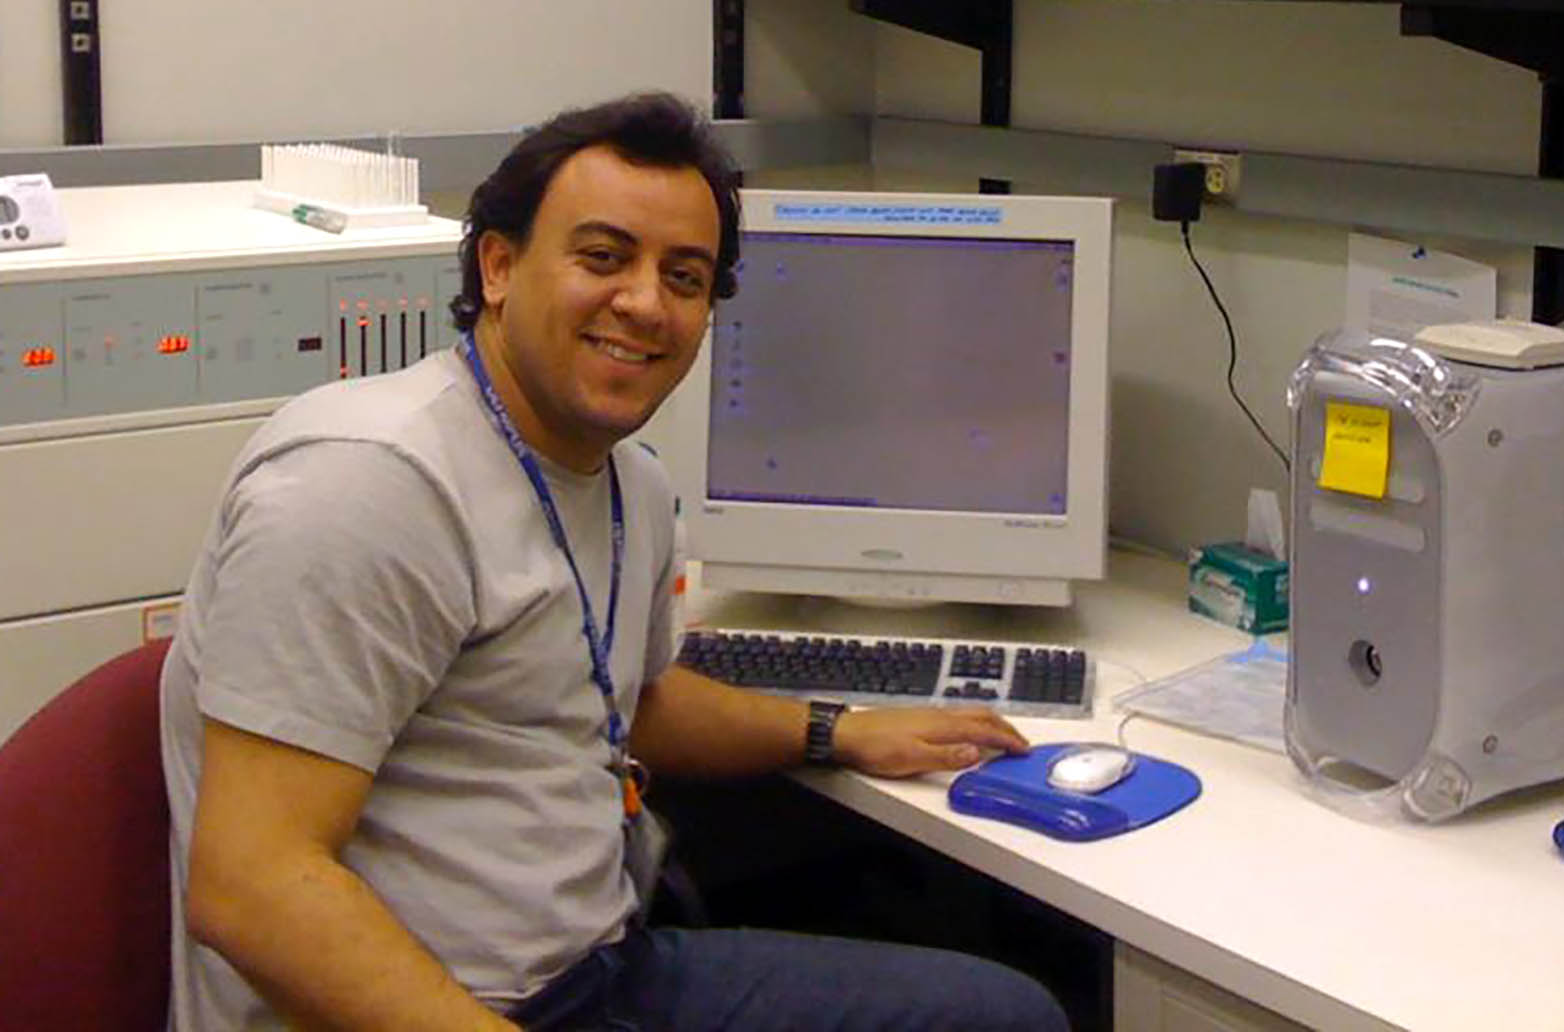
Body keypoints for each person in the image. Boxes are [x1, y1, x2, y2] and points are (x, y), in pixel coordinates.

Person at [159, 92, 1071, 1031]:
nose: (644, 303)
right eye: (604, 258)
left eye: (685, 277)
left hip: (597, 974)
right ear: (501, 265)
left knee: (1004, 1015)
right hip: (425, 1010)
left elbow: (635, 700)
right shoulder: (370, 488)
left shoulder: (625, 479)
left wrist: (837, 730)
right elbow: (252, 887)